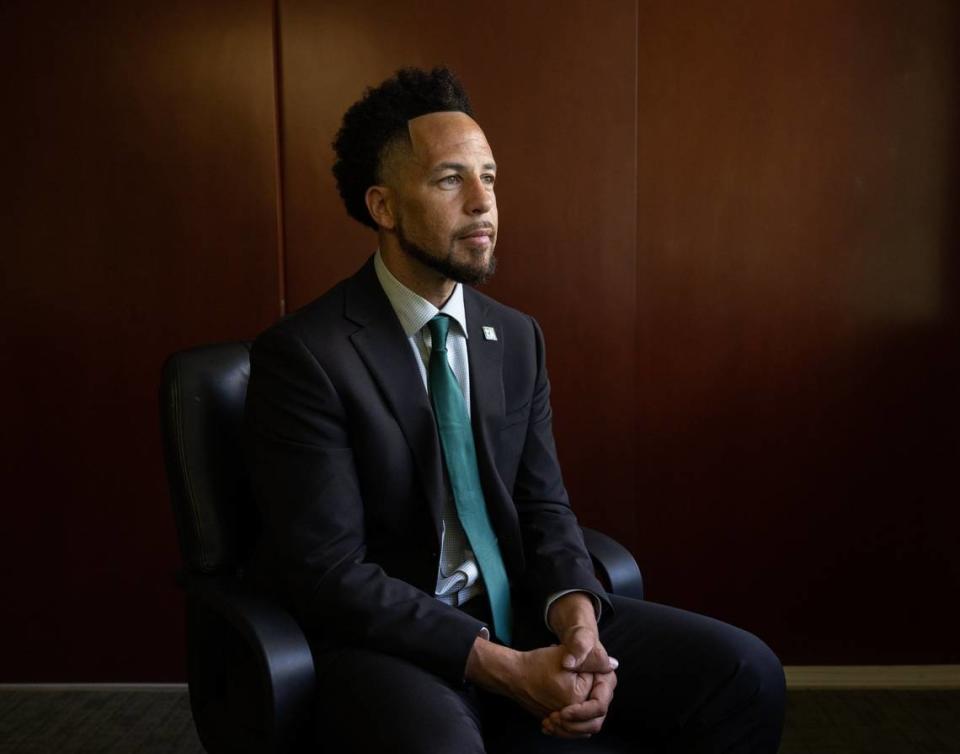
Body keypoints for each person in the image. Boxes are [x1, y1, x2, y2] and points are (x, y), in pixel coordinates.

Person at [245, 67, 785, 753]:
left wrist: (579, 627)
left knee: (747, 674)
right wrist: (504, 668)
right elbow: (329, 573)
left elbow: (545, 509)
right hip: (396, 640)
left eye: (490, 178)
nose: (483, 203)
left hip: (522, 611)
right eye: (450, 180)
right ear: (383, 207)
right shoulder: (307, 355)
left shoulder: (517, 337)